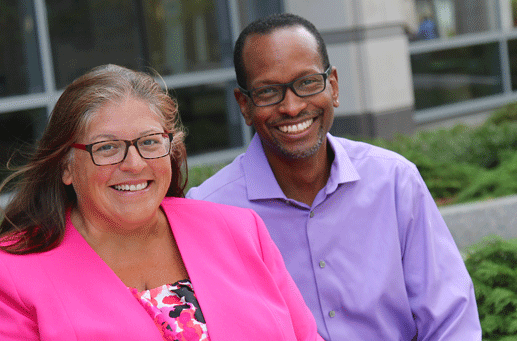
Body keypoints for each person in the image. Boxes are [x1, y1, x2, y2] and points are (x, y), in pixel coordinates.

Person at [0, 64, 323, 341]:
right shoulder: (8, 275)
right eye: (107, 148)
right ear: (66, 167)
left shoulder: (239, 231)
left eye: (149, 142)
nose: (133, 164)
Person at [187, 13, 482, 340]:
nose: (293, 106)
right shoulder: (209, 212)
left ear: (334, 86)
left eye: (308, 83)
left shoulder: (395, 182)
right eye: (269, 91)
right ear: (244, 105)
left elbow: (452, 319)